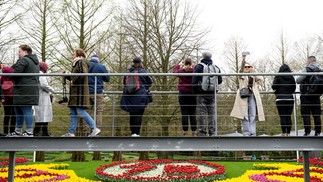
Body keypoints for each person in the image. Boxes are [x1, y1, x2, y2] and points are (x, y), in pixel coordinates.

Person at [61, 48, 101, 137]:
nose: (72, 55)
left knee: (80, 111)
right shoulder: (77, 63)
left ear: (78, 54)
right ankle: (71, 132)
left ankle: (94, 128)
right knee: (73, 112)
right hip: (75, 92)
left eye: (73, 53)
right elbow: (75, 77)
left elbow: (82, 74)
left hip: (80, 92)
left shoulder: (81, 62)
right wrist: (66, 74)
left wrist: (73, 80)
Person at [230, 54, 265, 136]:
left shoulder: (253, 75)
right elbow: (241, 69)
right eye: (246, 67)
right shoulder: (241, 75)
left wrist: (253, 70)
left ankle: (253, 132)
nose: (247, 68)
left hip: (252, 96)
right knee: (244, 115)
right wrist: (243, 61)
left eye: (249, 67)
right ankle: (246, 132)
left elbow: (260, 79)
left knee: (253, 114)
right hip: (243, 96)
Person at [10, 44, 40, 137]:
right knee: (19, 109)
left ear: (25, 52)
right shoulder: (34, 62)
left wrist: (8, 74)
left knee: (25, 110)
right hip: (28, 89)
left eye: (19, 51)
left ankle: (28, 132)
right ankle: (19, 131)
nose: (18, 53)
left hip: (23, 89)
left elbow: (16, 73)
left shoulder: (24, 60)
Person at [120, 57, 153, 137]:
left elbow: (124, 83)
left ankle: (132, 133)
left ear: (133, 62)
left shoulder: (128, 72)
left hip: (130, 96)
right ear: (140, 62)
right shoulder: (143, 71)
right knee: (139, 114)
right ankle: (136, 133)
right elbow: (150, 82)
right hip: (140, 95)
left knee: (132, 115)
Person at [192, 51, 222, 136]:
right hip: (213, 93)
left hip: (201, 93)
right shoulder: (216, 67)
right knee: (212, 113)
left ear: (203, 57)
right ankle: (213, 132)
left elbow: (194, 80)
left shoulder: (199, 67)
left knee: (202, 113)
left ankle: (202, 132)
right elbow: (220, 81)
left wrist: (195, 92)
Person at [296, 56, 321, 136]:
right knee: (316, 114)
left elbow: (298, 80)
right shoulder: (321, 70)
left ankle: (307, 132)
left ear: (309, 61)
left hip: (306, 95)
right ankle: (317, 132)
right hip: (317, 95)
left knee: (306, 114)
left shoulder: (307, 69)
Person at [173, 58, 197, 136]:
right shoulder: (194, 71)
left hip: (183, 93)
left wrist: (179, 65)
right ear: (191, 64)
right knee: (193, 113)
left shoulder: (181, 72)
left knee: (184, 113)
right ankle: (194, 131)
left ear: (184, 64)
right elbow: (196, 71)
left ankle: (185, 132)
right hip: (193, 94)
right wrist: (192, 67)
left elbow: (175, 71)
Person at [87, 53, 110, 133]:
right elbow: (107, 79)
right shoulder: (101, 66)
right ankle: (97, 130)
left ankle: (86, 131)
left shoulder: (86, 65)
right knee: (99, 111)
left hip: (86, 92)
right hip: (98, 91)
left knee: (87, 112)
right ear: (98, 59)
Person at [272, 64, 296, 136]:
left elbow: (274, 87)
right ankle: (288, 133)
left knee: (282, 116)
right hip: (290, 98)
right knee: (288, 116)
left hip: (280, 99)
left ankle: (283, 133)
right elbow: (293, 89)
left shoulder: (278, 76)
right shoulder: (291, 77)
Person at [34, 62, 55, 136]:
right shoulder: (41, 74)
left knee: (43, 114)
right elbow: (44, 85)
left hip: (43, 96)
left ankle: (43, 131)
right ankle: (38, 131)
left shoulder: (39, 74)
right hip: (43, 97)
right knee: (43, 114)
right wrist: (53, 90)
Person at [0, 66, 16, 136]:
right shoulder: (14, 75)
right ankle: (12, 131)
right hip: (13, 97)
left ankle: (5, 132)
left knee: (7, 115)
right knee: (14, 115)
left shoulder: (2, 76)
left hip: (5, 98)